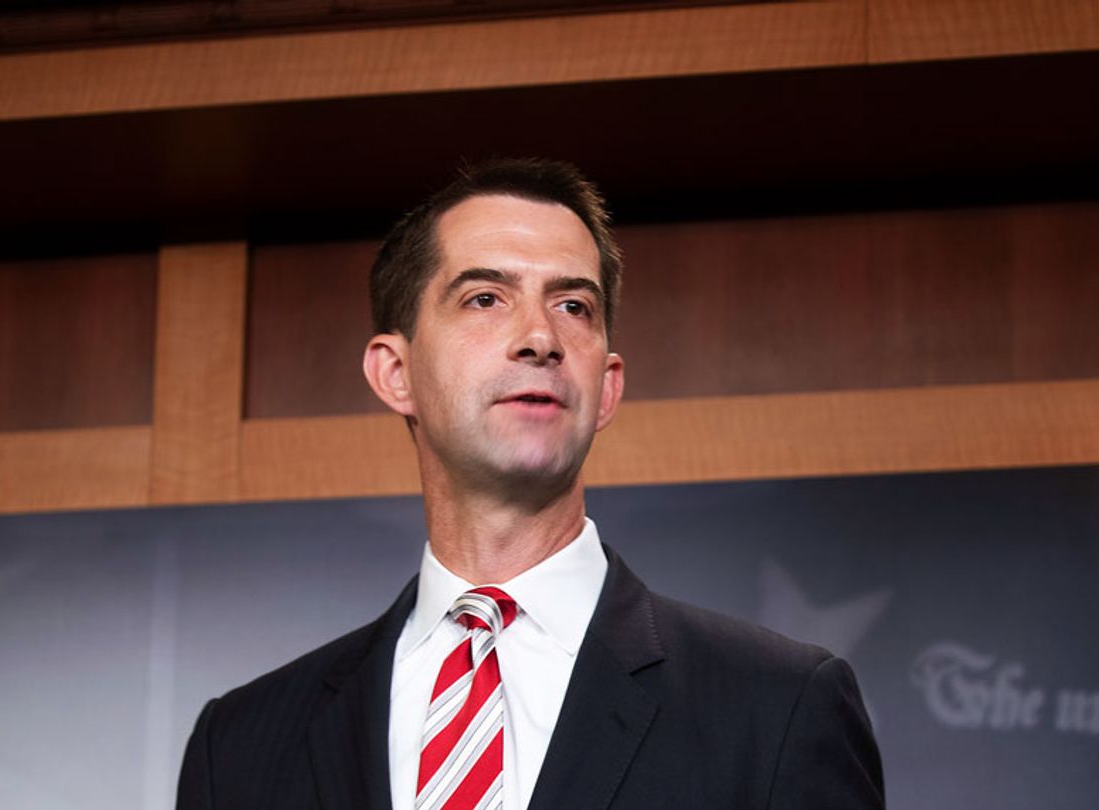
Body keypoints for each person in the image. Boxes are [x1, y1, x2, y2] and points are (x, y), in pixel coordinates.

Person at [176, 158, 885, 809]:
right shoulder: (238, 745)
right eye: (485, 298)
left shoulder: (781, 706)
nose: (539, 337)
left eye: (573, 306)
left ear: (606, 389)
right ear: (396, 373)